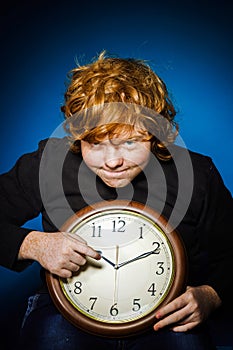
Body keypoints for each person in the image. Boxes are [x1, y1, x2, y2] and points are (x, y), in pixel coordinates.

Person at [0, 51, 232, 350]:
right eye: (95, 144)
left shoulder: (198, 175)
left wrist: (212, 294)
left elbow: (230, 252)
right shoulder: (49, 164)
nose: (112, 162)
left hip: (166, 318)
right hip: (64, 315)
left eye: (130, 143)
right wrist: (32, 244)